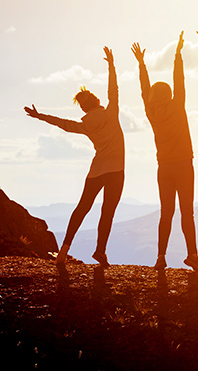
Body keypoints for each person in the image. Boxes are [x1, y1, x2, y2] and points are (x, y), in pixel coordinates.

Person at [24, 47, 125, 267]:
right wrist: (111, 66)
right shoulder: (111, 112)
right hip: (116, 170)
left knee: (82, 208)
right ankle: (100, 252)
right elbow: (113, 89)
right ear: (96, 100)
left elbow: (61, 123)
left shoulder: (85, 125)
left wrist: (39, 115)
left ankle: (63, 249)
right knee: (107, 212)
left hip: (96, 171)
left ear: (84, 107)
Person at [131, 33, 198, 272]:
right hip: (183, 164)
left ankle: (160, 257)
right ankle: (192, 255)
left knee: (166, 213)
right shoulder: (176, 106)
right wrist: (177, 56)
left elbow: (144, 90)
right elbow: (180, 80)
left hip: (164, 167)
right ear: (170, 93)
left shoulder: (151, 111)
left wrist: (142, 64)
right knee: (187, 213)